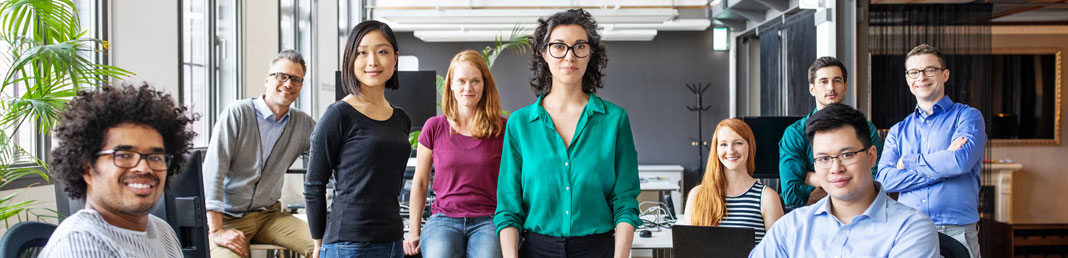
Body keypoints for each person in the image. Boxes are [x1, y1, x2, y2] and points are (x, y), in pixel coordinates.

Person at [494, 9, 642, 258]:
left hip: (598, 248)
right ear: (544, 54)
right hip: (536, 249)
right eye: (559, 47)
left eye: (579, 46)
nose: (569, 56)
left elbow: (625, 200)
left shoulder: (615, 120)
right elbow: (508, 206)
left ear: (590, 55)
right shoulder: (519, 124)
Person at [751, 103, 938, 257]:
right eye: (824, 158)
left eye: (847, 155)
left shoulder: (911, 228)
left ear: (872, 156)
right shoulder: (791, 227)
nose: (836, 168)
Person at [39, 83, 195, 258]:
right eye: (124, 155)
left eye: (155, 157)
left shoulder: (161, 230)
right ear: (87, 168)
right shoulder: (79, 246)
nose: (144, 168)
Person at [304, 20, 412, 258]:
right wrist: (318, 242)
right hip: (349, 243)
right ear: (350, 60)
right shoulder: (338, 115)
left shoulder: (401, 118)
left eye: (382, 52)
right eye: (362, 52)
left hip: (393, 239)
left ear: (395, 58)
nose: (373, 61)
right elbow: (314, 184)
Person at [202, 50, 317, 258]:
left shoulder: (303, 124)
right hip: (227, 220)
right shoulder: (237, 113)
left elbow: (330, 155)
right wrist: (216, 230)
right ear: (267, 79)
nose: (288, 84)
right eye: (282, 76)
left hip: (269, 217)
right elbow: (214, 172)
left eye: (296, 80)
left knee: (324, 249)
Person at [876, 44, 987, 258]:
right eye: (914, 72)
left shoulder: (968, 117)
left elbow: (960, 162)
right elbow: (885, 180)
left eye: (929, 70)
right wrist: (943, 167)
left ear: (944, 75)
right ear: (908, 79)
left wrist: (907, 161)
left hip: (958, 230)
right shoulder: (899, 130)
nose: (922, 77)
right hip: (910, 230)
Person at [403, 50, 507, 258]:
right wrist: (413, 231)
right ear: (451, 84)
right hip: (444, 219)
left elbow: (516, 181)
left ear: (484, 85)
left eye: (475, 81)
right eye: (461, 81)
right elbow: (421, 182)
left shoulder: (502, 128)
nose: (468, 88)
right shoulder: (434, 127)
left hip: (488, 219)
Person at [779, 56, 883, 210]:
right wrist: (849, 182)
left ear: (845, 86)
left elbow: (877, 181)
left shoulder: (866, 129)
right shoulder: (795, 134)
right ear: (812, 89)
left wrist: (814, 178)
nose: (831, 88)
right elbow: (791, 193)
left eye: (837, 81)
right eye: (824, 81)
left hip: (860, 214)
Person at [680, 118, 783, 244]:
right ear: (716, 149)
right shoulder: (696, 195)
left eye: (738, 143)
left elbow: (778, 251)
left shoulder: (767, 197)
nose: (731, 151)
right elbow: (688, 248)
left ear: (750, 146)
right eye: (723, 144)